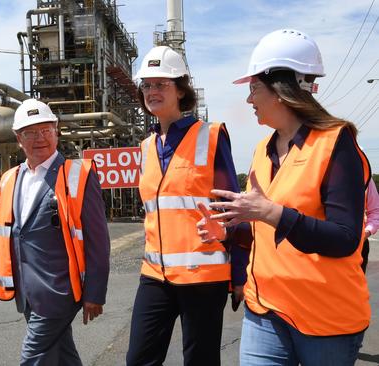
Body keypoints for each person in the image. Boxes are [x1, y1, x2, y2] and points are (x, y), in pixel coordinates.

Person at [199, 29, 371, 365]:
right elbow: (264, 230)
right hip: (264, 311)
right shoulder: (262, 150)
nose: (249, 100)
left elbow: (345, 239)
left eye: (253, 89)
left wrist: (270, 212)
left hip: (325, 320)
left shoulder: (336, 143)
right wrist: (230, 232)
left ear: (282, 91)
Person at [0, 98, 110, 366]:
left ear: (56, 131)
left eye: (46, 130)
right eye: (30, 133)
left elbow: (98, 241)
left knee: (33, 357)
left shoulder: (78, 174)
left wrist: (95, 293)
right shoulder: (10, 179)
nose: (40, 138)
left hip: (60, 291)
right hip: (26, 291)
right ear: (18, 138)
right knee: (62, 355)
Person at [126, 45, 248, 366]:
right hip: (155, 275)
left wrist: (239, 274)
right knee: (138, 359)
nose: (152, 91)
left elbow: (234, 210)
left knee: (200, 360)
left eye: (161, 84)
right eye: (147, 85)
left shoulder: (210, 136)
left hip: (203, 277)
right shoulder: (147, 146)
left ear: (181, 90)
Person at [362, 180, 379, 272]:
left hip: (359, 244)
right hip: (320, 244)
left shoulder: (365, 176)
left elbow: (375, 211)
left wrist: (367, 232)